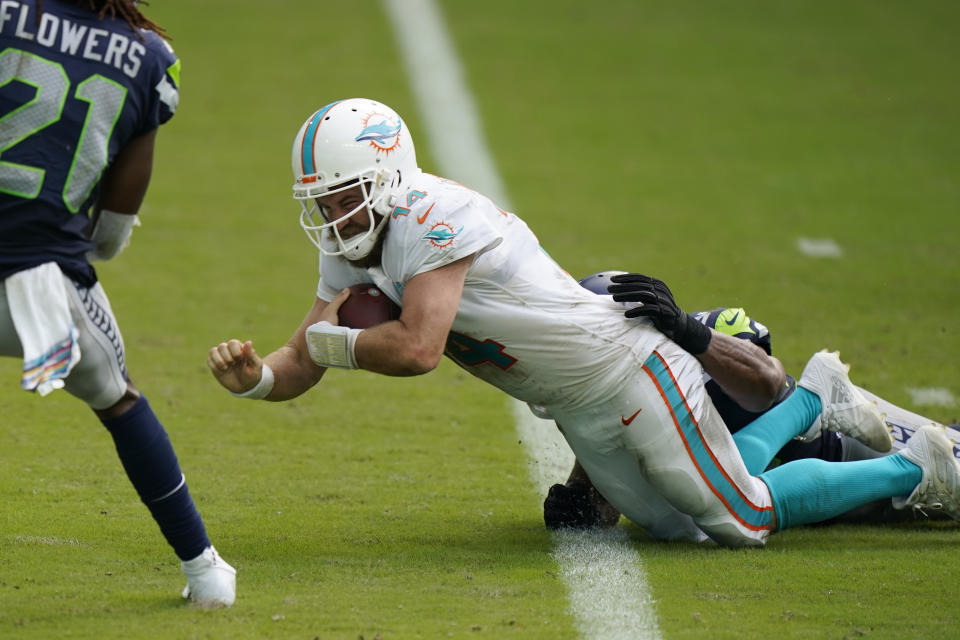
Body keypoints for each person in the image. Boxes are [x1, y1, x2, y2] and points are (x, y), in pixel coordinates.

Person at [207, 97, 960, 548]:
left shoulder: (430, 215)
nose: (335, 216)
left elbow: (417, 348)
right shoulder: (362, 242)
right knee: (677, 525)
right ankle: (812, 397)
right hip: (574, 401)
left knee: (742, 518)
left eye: (346, 196)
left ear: (389, 177)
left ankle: (920, 467)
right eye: (325, 202)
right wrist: (259, 378)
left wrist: (334, 345)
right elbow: (305, 351)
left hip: (624, 365)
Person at [0, 0, 235, 606]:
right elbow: (110, 233)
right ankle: (205, 573)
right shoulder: (150, 59)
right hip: (42, 292)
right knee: (120, 400)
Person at [541, 272, 960, 533]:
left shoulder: (689, 337)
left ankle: (816, 403)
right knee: (710, 498)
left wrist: (691, 334)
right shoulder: (585, 380)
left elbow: (769, 381)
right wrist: (583, 500)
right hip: (778, 476)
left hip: (840, 440)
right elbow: (608, 447)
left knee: (949, 463)